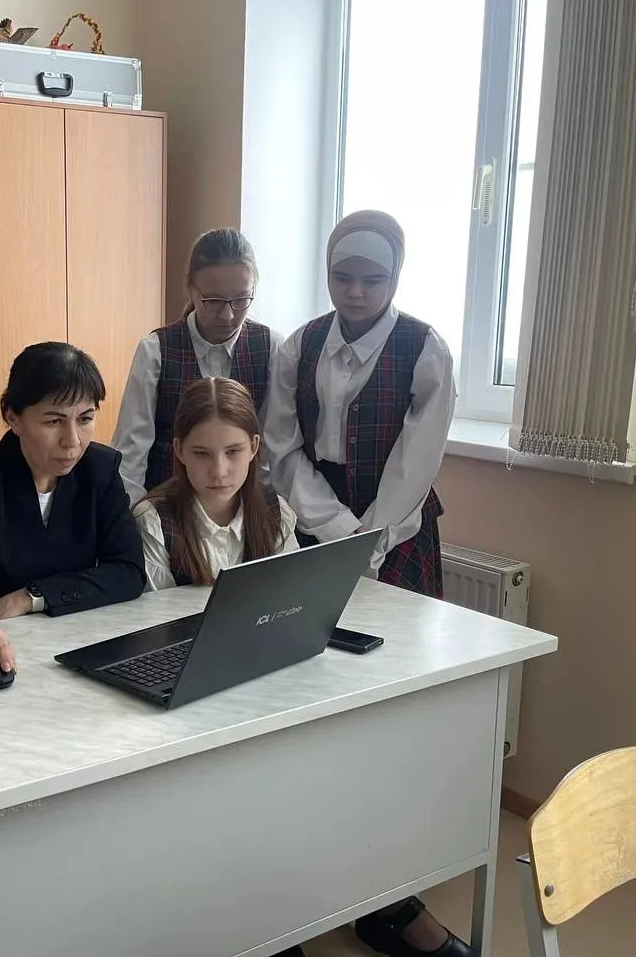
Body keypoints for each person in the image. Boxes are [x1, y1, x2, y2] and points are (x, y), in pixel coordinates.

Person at [264, 211, 464, 957]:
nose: (354, 291)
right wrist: (336, 528)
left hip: (398, 532)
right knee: (313, 697)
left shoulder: (425, 348)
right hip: (315, 524)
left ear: (396, 278)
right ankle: (303, 871)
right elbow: (281, 447)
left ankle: (387, 890)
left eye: (372, 279)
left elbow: (418, 459)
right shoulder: (300, 345)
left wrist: (370, 538)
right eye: (341, 276)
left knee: (393, 699)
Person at [0, 341, 145, 682]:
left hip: (72, 646)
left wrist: (31, 597)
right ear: (13, 418)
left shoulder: (100, 470)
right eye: (54, 421)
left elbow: (128, 571)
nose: (73, 440)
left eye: (85, 419)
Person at [113, 228, 282, 504]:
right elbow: (131, 453)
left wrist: (263, 511)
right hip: (167, 504)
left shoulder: (271, 346)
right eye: (213, 301)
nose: (228, 315)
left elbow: (273, 449)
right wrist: (134, 516)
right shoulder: (156, 349)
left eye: (241, 299)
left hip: (241, 507)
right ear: (190, 289)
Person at [134, 376, 297, 591]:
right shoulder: (154, 523)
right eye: (202, 454)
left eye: (233, 451)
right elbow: (159, 611)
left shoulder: (276, 512)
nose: (219, 471)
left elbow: (291, 597)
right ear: (180, 450)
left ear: (253, 446)